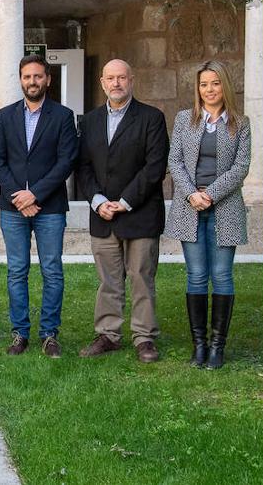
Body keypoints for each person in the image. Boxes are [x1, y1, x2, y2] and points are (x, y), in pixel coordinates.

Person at [76, 59, 168, 363]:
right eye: (110, 78)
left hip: (139, 213)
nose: (116, 83)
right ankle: (108, 335)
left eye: (122, 78)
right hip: (101, 214)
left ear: (132, 80)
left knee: (141, 277)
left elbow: (155, 167)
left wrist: (126, 201)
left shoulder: (151, 118)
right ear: (102, 83)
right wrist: (98, 200)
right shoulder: (88, 121)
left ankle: (144, 338)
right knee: (108, 280)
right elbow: (83, 167)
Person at [0, 55, 79, 358]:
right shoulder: (5, 115)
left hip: (50, 207)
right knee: (17, 271)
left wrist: (35, 195)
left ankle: (50, 334)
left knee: (52, 270)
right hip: (13, 207)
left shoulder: (63, 116)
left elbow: (66, 161)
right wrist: (18, 195)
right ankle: (19, 333)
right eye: (27, 77)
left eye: (38, 76)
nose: (32, 82)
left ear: (48, 80)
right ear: (20, 79)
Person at [164, 60, 250, 369]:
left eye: (214, 83)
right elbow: (175, 160)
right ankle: (199, 345)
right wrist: (192, 194)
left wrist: (211, 194)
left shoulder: (240, 123)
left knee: (222, 275)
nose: (209, 90)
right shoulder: (185, 119)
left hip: (224, 207)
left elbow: (241, 168)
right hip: (190, 206)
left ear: (224, 86)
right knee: (197, 275)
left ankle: (217, 346)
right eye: (203, 84)